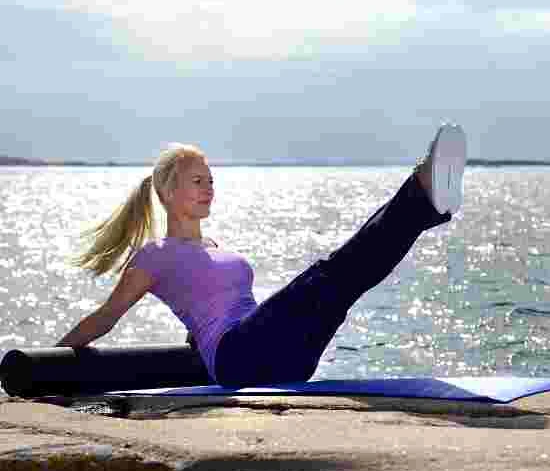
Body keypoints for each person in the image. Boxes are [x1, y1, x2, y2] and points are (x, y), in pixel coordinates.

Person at [56, 124, 467, 388]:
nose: (208, 189)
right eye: (197, 181)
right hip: (238, 358)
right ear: (167, 192)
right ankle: (421, 190)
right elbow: (106, 316)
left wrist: (196, 336)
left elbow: (209, 307)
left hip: (282, 359)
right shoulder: (155, 256)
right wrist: (48, 362)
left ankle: (425, 204)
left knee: (348, 282)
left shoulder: (216, 249)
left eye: (211, 181)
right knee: (330, 276)